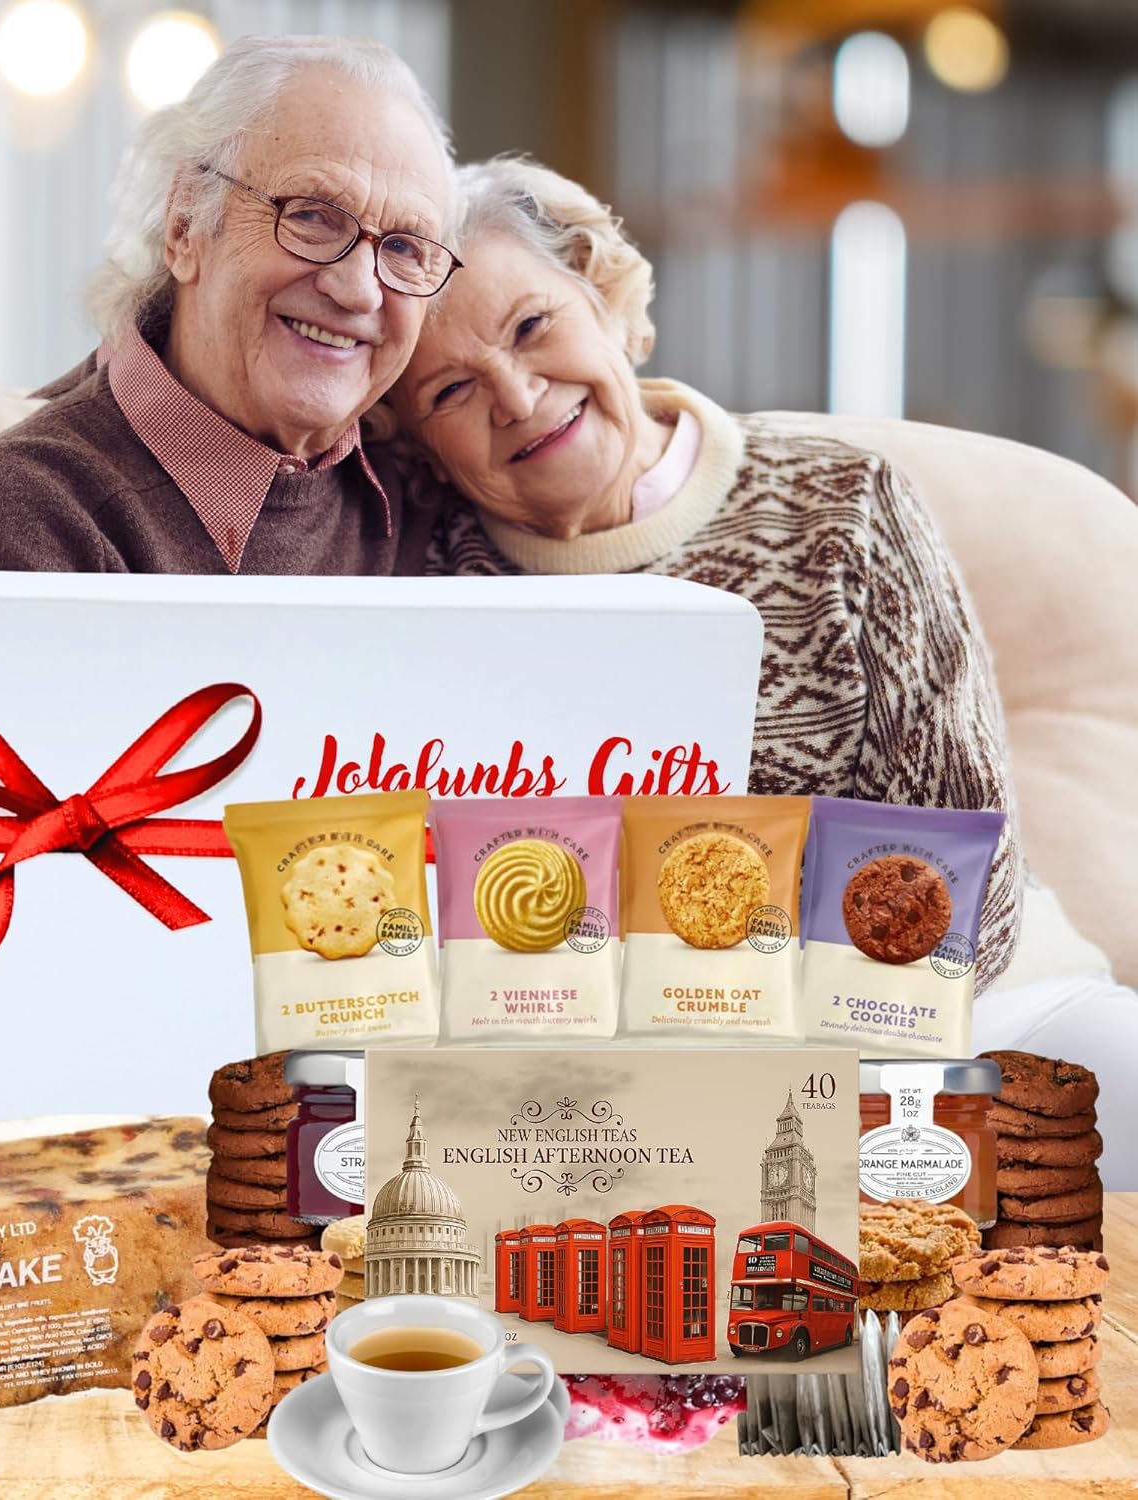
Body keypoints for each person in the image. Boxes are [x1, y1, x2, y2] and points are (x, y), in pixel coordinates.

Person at [391, 155, 1024, 989]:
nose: (515, 395)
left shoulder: (841, 507)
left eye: (532, 327)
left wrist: (758, 1035)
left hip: (889, 1020)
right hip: (566, 1070)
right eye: (448, 392)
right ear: (416, 447)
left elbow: (968, 873)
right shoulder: (427, 583)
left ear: (602, 297)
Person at [0, 35, 459, 575]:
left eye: (406, 247)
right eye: (311, 215)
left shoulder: (420, 483)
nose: (360, 290)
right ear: (186, 227)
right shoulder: (30, 510)